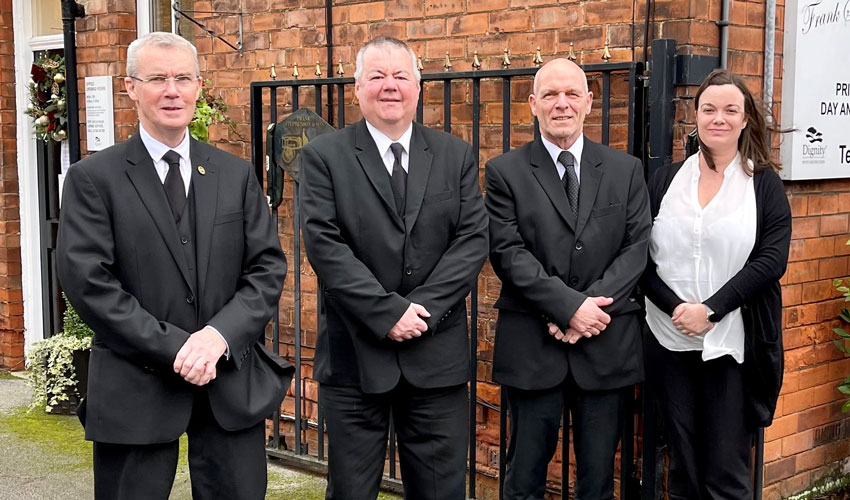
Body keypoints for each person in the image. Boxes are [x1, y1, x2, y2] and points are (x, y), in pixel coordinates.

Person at [56, 32, 291, 500]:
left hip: (227, 384)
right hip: (135, 387)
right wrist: (179, 348)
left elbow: (266, 269)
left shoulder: (234, 174)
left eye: (183, 78)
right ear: (131, 88)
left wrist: (218, 337)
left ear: (199, 86)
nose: (172, 91)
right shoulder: (93, 179)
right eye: (157, 79)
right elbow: (89, 283)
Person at [299, 37, 489, 500]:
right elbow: (325, 246)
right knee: (350, 492)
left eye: (401, 76)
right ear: (357, 88)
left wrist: (419, 311)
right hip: (354, 358)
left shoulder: (454, 154)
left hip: (436, 356)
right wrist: (387, 313)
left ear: (417, 87)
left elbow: (471, 241)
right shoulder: (323, 156)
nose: (390, 86)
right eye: (377, 76)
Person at [485, 58, 651, 500]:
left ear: (589, 103)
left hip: (605, 342)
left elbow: (636, 247)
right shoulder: (505, 172)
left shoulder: (626, 170)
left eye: (572, 94)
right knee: (524, 478)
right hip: (533, 344)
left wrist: (587, 310)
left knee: (598, 482)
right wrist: (568, 308)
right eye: (551, 95)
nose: (562, 103)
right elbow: (507, 252)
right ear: (533, 104)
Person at [640, 68, 792, 499]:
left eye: (730, 110)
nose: (718, 118)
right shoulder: (666, 180)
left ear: (745, 120)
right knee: (683, 471)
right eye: (709, 109)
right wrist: (677, 308)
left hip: (732, 344)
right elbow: (639, 258)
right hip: (668, 339)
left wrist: (711, 309)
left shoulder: (763, 185)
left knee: (726, 475)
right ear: (696, 116)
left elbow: (771, 260)